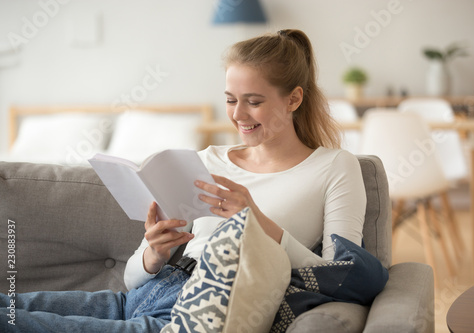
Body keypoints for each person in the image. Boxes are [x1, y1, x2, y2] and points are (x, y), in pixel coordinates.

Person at [0, 29, 366, 332]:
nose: (238, 114)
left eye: (253, 101)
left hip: (194, 314)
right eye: (230, 99)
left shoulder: (334, 167)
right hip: (143, 295)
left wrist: (258, 223)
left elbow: (345, 279)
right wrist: (153, 254)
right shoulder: (208, 160)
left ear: (294, 99)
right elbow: (131, 283)